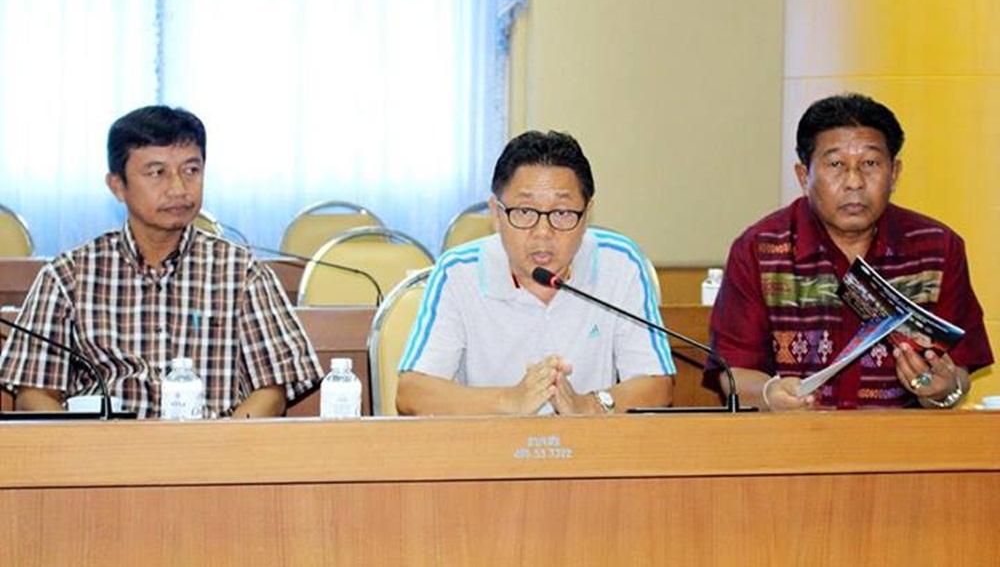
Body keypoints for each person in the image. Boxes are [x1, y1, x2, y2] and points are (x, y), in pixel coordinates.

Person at [0, 106, 323, 418]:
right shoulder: (68, 276)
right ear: (118, 186)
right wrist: (81, 447)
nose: (178, 188)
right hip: (103, 449)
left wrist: (225, 445)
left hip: (214, 446)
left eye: (191, 170)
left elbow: (272, 388)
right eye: (157, 173)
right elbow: (34, 393)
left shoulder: (241, 272)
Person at [706, 93, 992, 410]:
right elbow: (733, 373)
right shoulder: (760, 250)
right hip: (794, 438)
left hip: (902, 439)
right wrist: (770, 395)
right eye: (836, 164)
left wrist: (943, 390)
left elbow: (959, 371)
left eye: (870, 163)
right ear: (803, 176)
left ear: (895, 173)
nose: (854, 181)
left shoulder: (936, 248)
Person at [396, 130, 674, 415]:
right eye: (525, 211)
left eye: (562, 213)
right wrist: (510, 401)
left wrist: (587, 405)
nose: (543, 232)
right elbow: (412, 391)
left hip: (589, 442)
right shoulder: (458, 272)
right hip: (492, 442)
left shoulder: (620, 263)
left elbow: (656, 384)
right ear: (496, 214)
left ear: (587, 213)